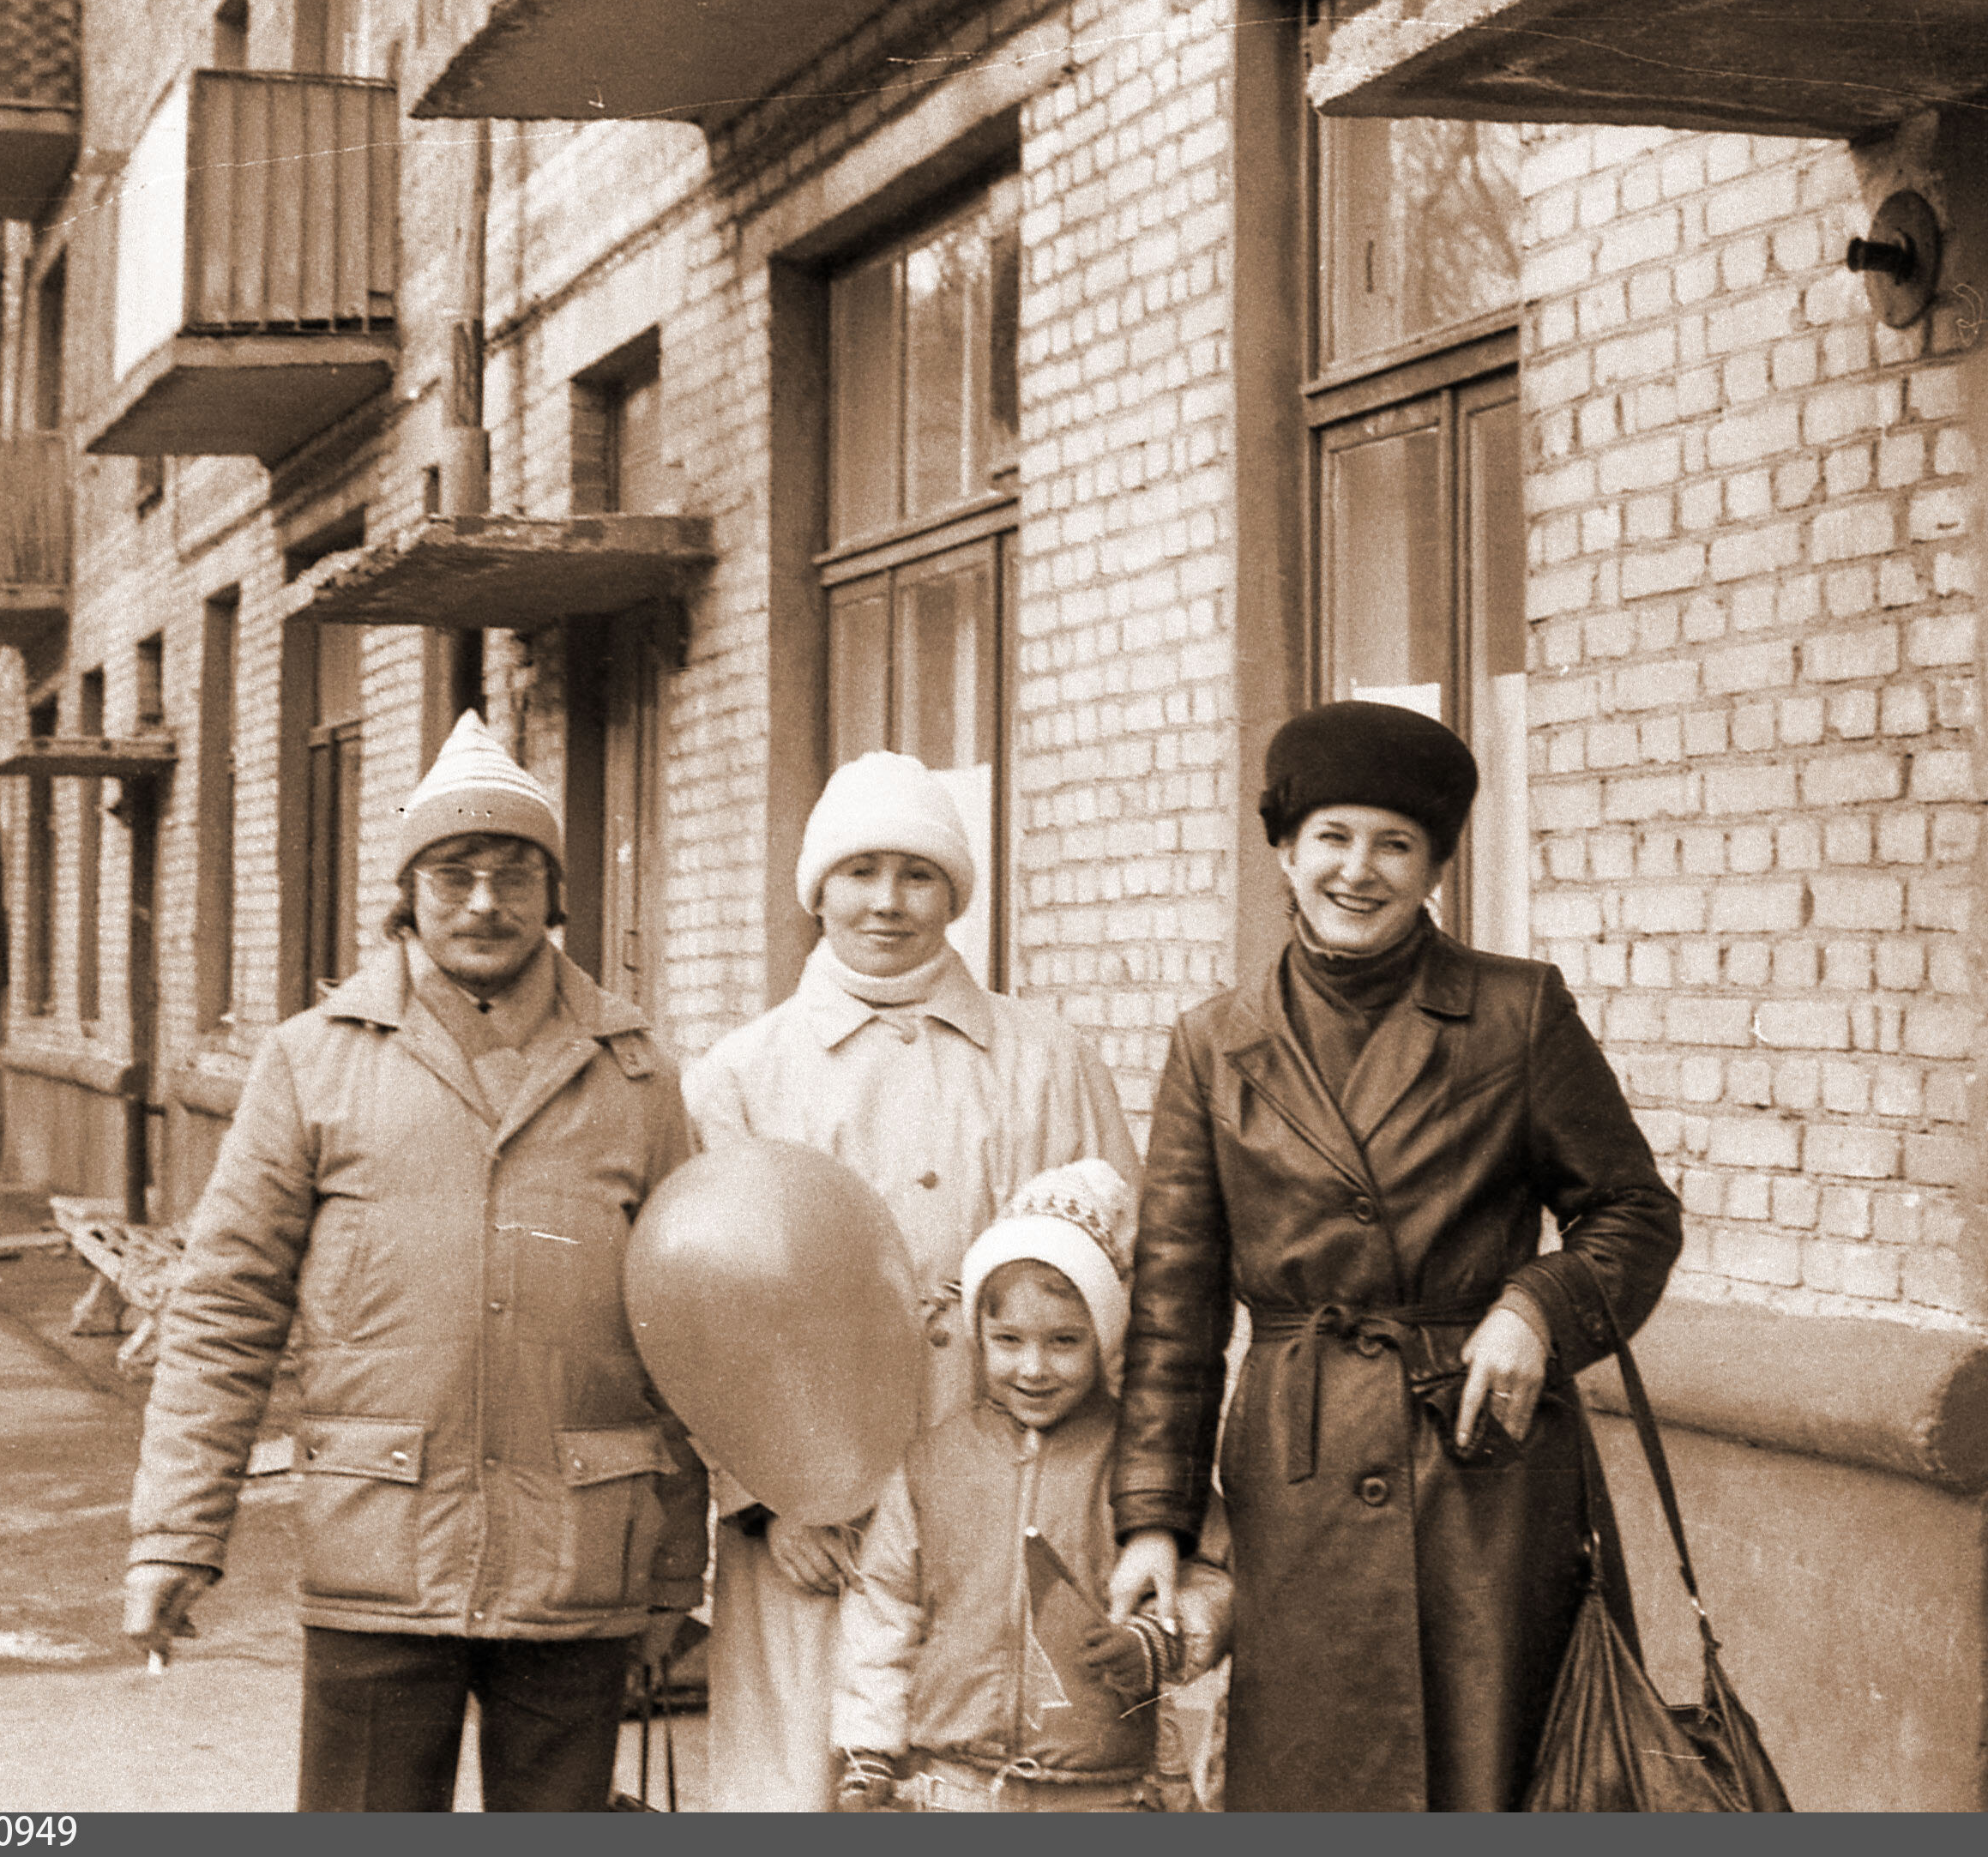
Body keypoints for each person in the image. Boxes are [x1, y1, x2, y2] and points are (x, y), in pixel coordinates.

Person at [122, 713, 708, 1812]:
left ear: (552, 891)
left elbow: (683, 1334)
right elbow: (224, 1311)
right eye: (453, 873)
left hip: (579, 1560)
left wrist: (676, 1564)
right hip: (377, 1552)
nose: (484, 900)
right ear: (407, 892)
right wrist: (175, 1535)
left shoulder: (634, 1075)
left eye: (514, 872)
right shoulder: (312, 1061)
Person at [1107, 700, 1684, 1812]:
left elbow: (1633, 1211)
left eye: (1394, 843)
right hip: (1301, 1475)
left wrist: (1536, 1305)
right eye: (1331, 835)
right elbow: (1174, 1305)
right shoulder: (1214, 1043)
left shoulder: (1516, 1011)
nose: (1357, 869)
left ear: (1434, 868)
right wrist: (1153, 1519)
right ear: (1285, 848)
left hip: (1483, 1469)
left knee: (1495, 1768)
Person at [684, 750, 1139, 1812]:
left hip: (1018, 1492)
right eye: (859, 871)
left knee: (1007, 1756)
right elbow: (701, 1316)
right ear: (817, 889)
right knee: (810, 1770)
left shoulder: (1048, 1058)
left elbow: (1128, 1274)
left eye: (917, 873)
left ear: (954, 892)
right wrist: (765, 1498)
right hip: (814, 1516)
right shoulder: (738, 1075)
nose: (886, 900)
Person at [829, 1163, 1232, 1814]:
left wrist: (1159, 1643)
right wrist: (867, 1748)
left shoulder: (1146, 1463)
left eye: (1064, 1341)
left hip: (1103, 1792)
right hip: (953, 1786)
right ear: (978, 1338)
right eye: (1008, 1340)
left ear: (1105, 1337)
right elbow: (884, 1608)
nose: (1034, 1367)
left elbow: (1214, 1576)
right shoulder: (932, 1462)